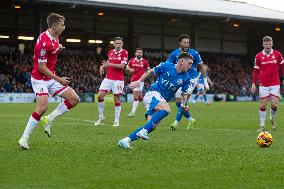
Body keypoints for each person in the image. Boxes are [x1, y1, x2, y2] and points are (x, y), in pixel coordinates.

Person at [18, 13, 80, 150]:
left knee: (74, 99)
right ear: (53, 26)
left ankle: (49, 119)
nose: (64, 27)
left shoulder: (55, 37)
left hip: (50, 77)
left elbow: (54, 47)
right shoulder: (42, 43)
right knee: (42, 107)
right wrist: (59, 79)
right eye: (62, 25)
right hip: (40, 78)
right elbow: (41, 67)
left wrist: (59, 47)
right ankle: (24, 138)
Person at [118, 52, 195, 148]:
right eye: (190, 63)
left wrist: (183, 105)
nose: (190, 66)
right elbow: (149, 71)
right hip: (153, 93)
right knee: (167, 109)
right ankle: (144, 131)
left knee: (152, 126)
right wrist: (138, 82)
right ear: (182, 61)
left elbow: (183, 93)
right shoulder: (166, 66)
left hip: (160, 99)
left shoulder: (186, 77)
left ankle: (125, 140)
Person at [167, 34, 209, 130]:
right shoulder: (174, 54)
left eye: (188, 43)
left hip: (191, 79)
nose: (186, 44)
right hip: (179, 78)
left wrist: (205, 81)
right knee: (178, 103)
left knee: (183, 101)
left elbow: (201, 66)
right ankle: (190, 119)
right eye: (184, 43)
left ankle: (176, 122)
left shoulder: (194, 53)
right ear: (180, 43)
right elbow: (168, 65)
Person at [251, 36, 284, 132]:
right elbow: (255, 71)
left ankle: (272, 118)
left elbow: (283, 66)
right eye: (266, 44)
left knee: (274, 105)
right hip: (263, 84)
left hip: (275, 84)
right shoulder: (258, 56)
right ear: (263, 45)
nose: (268, 45)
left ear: (272, 44)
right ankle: (262, 126)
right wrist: (253, 83)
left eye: (269, 44)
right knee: (263, 105)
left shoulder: (277, 54)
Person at [95, 37, 128, 127]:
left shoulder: (124, 52)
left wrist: (109, 64)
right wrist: (103, 67)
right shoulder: (110, 52)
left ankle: (116, 120)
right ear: (113, 44)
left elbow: (122, 66)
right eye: (116, 43)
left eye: (119, 43)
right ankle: (101, 116)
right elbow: (108, 63)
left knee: (116, 98)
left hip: (118, 79)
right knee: (100, 96)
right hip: (108, 78)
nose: (118, 45)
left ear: (122, 44)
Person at [126, 48, 150, 117]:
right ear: (135, 53)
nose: (139, 53)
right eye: (138, 52)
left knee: (136, 96)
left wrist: (146, 73)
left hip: (140, 81)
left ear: (142, 54)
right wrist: (130, 69)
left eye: (140, 52)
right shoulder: (131, 60)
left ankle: (133, 113)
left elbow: (148, 69)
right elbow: (127, 67)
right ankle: (149, 108)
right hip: (133, 80)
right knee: (140, 97)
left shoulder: (145, 62)